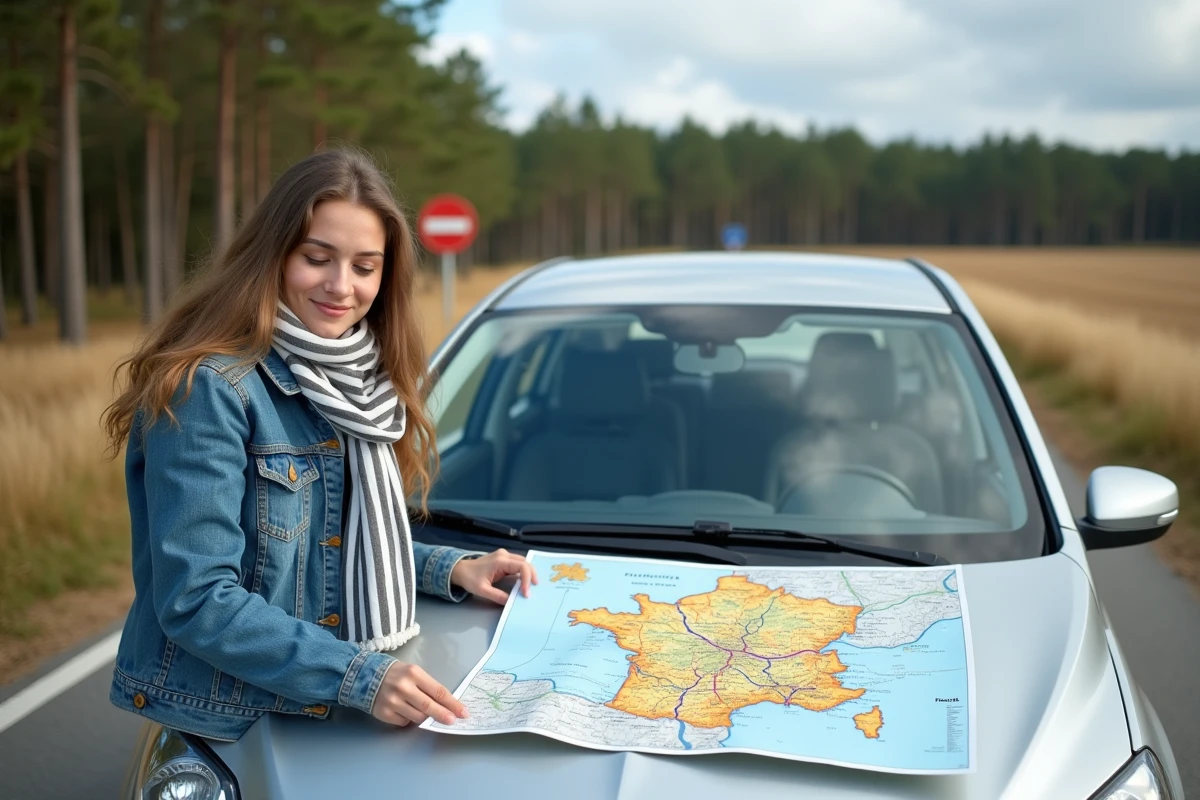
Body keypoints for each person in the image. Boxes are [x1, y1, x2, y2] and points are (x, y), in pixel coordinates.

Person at [103, 147, 535, 742]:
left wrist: (450, 567)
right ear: (274, 256)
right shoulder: (211, 388)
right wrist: (362, 676)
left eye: (365, 266)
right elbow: (197, 599)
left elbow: (328, 545)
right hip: (241, 714)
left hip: (338, 699)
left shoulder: (365, 381)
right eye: (317, 258)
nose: (341, 286)